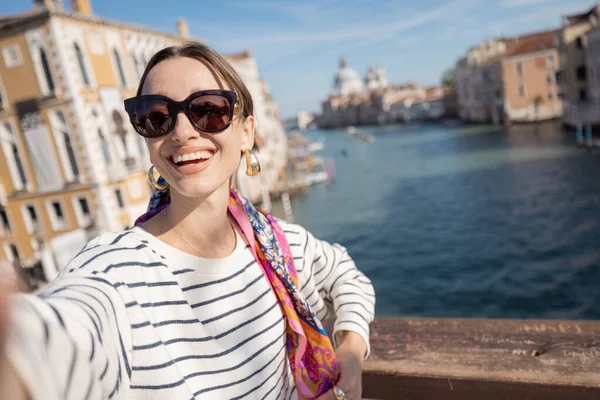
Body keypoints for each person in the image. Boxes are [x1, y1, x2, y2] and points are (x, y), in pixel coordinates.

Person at [0, 42, 375, 400]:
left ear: (247, 131)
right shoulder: (113, 271)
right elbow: (65, 337)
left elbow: (347, 276)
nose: (181, 132)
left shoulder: (281, 245)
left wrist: (352, 350)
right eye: (156, 116)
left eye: (209, 110)